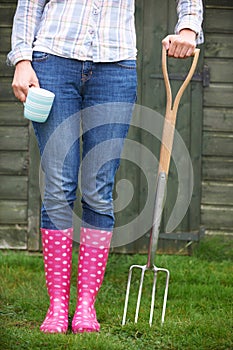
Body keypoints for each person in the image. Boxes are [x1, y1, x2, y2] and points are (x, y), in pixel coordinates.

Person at [8, 0, 203, 334]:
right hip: (52, 59)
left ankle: (85, 305)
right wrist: (22, 59)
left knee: (98, 189)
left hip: (116, 67)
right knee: (58, 187)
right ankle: (57, 307)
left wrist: (188, 26)